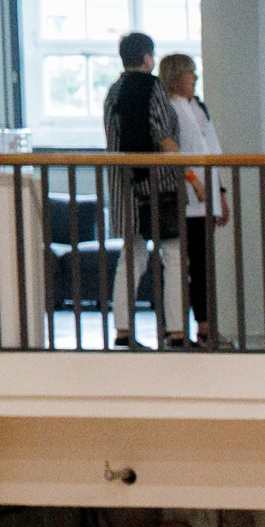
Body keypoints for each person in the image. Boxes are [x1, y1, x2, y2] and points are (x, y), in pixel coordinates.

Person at [100, 29, 189, 350]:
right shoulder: (153, 88)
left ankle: (123, 329)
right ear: (148, 57)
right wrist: (188, 173)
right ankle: (177, 331)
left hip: (124, 187)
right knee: (174, 255)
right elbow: (164, 133)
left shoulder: (113, 91)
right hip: (157, 186)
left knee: (131, 258)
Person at [156, 52, 225, 348]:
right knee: (178, 264)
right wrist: (193, 181)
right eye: (190, 72)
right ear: (176, 76)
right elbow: (171, 152)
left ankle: (205, 326)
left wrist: (220, 193)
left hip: (205, 194)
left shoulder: (199, 107)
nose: (195, 78)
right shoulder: (170, 109)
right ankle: (175, 327)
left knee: (203, 264)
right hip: (182, 194)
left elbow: (210, 150)